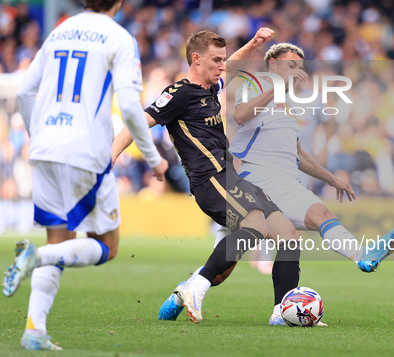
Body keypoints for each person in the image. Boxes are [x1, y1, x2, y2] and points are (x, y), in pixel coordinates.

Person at [158, 42, 394, 325]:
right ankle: (198, 292)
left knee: (240, 261)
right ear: (272, 64)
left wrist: (331, 178)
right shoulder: (255, 84)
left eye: (300, 67)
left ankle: (275, 307)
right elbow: (240, 115)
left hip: (286, 179)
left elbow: (299, 155)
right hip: (256, 177)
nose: (297, 71)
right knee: (253, 255)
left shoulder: (288, 106)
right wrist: (279, 87)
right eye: (290, 65)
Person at [1, 0, 168, 350]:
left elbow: (25, 91)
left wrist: (37, 133)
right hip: (85, 152)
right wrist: (152, 156)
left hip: (44, 148)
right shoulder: (120, 38)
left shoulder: (60, 30)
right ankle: (34, 257)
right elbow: (130, 106)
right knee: (107, 245)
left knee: (61, 239)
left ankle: (34, 331)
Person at [112, 28, 304, 325]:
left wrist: (254, 43)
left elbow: (236, 65)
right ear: (196, 59)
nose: (222, 66)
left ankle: (281, 311)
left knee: (287, 236)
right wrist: (109, 158)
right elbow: (137, 122)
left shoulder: (209, 88)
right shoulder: (181, 93)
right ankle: (196, 288)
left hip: (231, 178)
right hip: (210, 179)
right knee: (255, 226)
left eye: (223, 59)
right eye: (216, 60)